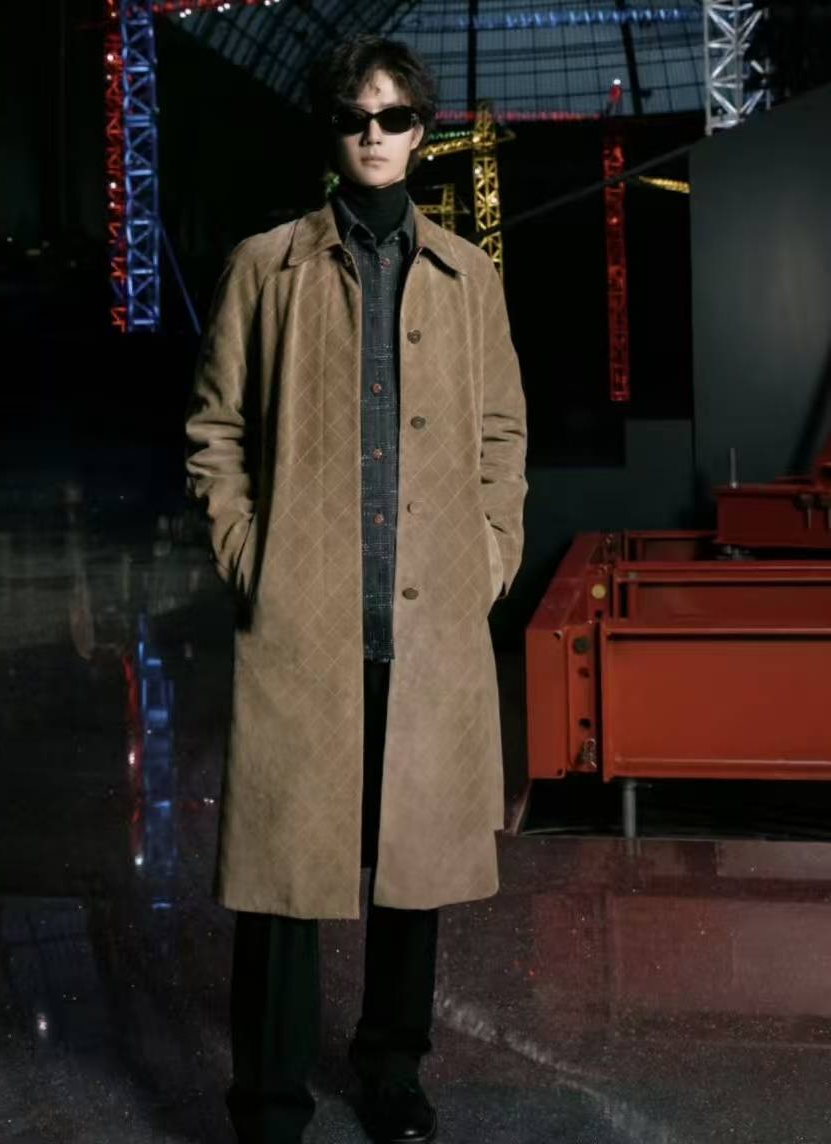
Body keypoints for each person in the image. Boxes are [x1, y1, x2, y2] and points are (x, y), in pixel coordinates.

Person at [185, 32, 527, 1144]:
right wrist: (249, 557)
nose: (373, 136)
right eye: (353, 117)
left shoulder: (468, 277)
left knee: (412, 864)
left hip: (427, 615)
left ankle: (392, 1070)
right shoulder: (264, 267)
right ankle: (269, 1099)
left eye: (393, 117)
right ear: (329, 130)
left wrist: (489, 555)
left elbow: (501, 433)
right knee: (285, 873)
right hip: (305, 617)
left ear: (421, 131)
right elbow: (215, 432)